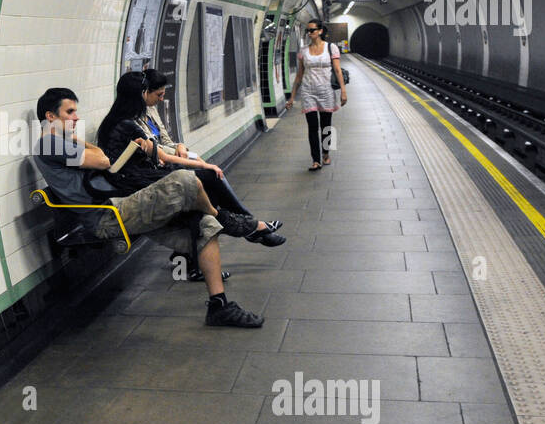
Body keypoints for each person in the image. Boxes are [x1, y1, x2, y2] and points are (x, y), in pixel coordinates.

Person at [33, 87, 266, 328]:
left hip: (122, 206)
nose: (76, 117)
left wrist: (74, 138)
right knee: (185, 179)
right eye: (69, 112)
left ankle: (219, 307)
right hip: (108, 215)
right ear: (50, 117)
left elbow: (101, 155)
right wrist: (73, 140)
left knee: (205, 225)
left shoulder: (60, 142)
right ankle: (224, 216)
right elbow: (102, 161)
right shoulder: (48, 144)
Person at [95, 73, 284, 243]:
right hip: (139, 182)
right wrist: (204, 164)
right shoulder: (130, 124)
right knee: (209, 178)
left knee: (205, 190)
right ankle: (250, 225)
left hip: (136, 177)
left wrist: (182, 153)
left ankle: (248, 227)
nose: (156, 99)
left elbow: (158, 147)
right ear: (141, 94)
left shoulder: (112, 121)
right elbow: (162, 156)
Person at [284, 19, 348, 169]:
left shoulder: (331, 48)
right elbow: (299, 75)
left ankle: (326, 153)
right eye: (307, 30)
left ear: (320, 31)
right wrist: (292, 96)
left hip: (326, 91)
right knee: (312, 127)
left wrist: (343, 91)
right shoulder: (304, 51)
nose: (309, 33)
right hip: (308, 92)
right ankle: (316, 160)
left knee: (326, 126)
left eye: (312, 30)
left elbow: (338, 70)